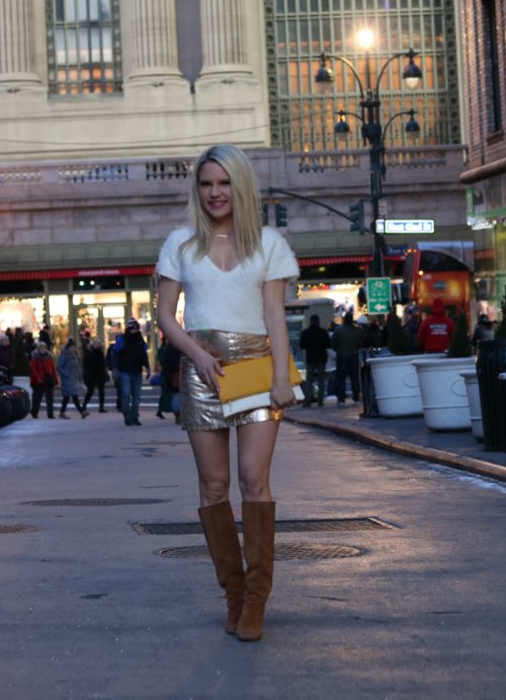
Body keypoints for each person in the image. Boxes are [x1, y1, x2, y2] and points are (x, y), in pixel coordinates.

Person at [156, 144, 299, 642]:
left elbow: (276, 316)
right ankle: (234, 594)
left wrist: (282, 377)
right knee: (213, 487)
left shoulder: (268, 244)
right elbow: (165, 316)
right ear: (198, 190)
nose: (215, 193)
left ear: (240, 187)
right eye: (206, 184)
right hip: (202, 371)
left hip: (258, 369)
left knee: (252, 480)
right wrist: (195, 356)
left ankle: (257, 598)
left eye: (223, 183)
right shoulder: (180, 244)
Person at [115, 318, 150, 426]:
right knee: (127, 394)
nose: (135, 331)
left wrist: (147, 367)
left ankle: (133, 416)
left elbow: (144, 355)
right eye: (133, 329)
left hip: (136, 370)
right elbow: (116, 354)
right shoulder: (123, 339)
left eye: (136, 329)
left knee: (135, 396)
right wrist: (115, 368)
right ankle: (128, 416)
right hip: (125, 370)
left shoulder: (139, 340)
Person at [331, 311, 363, 405]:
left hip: (341, 356)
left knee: (341, 378)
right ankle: (356, 397)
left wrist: (338, 349)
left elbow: (332, 343)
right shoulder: (357, 331)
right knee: (355, 378)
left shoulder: (338, 330)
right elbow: (360, 343)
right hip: (354, 355)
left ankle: (341, 399)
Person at [299, 314, 331, 407]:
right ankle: (320, 401)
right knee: (321, 380)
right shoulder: (323, 332)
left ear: (310, 321)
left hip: (310, 358)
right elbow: (328, 345)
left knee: (309, 380)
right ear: (318, 321)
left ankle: (308, 401)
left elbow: (302, 345)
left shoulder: (306, 332)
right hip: (321, 358)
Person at [56, 339, 89, 420]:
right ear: (69, 347)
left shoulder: (73, 355)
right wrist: (66, 375)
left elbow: (77, 367)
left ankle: (62, 413)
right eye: (72, 347)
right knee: (74, 397)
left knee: (67, 398)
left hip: (72, 379)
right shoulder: (64, 355)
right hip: (67, 379)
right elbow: (59, 367)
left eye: (74, 347)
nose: (74, 348)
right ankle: (82, 412)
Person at [156, 333, 182, 423]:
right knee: (178, 396)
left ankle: (177, 415)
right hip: (178, 373)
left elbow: (166, 364)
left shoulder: (168, 349)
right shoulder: (180, 348)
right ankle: (179, 415)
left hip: (173, 374)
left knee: (175, 396)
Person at [29, 339, 58, 419]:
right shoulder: (35, 358)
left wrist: (55, 379)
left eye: (44, 348)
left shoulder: (49, 357)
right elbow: (33, 369)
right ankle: (34, 412)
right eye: (41, 348)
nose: (43, 349)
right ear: (38, 349)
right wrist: (38, 378)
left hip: (48, 380)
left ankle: (50, 414)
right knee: (37, 398)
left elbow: (52, 369)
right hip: (38, 382)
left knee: (50, 399)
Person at [82, 336, 108, 413]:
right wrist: (88, 374)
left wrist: (104, 370)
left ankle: (101, 407)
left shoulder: (100, 352)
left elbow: (103, 363)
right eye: (95, 343)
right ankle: (84, 405)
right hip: (91, 374)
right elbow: (86, 364)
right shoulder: (89, 352)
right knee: (90, 391)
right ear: (93, 344)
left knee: (101, 391)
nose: (96, 345)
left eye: (98, 343)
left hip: (99, 373)